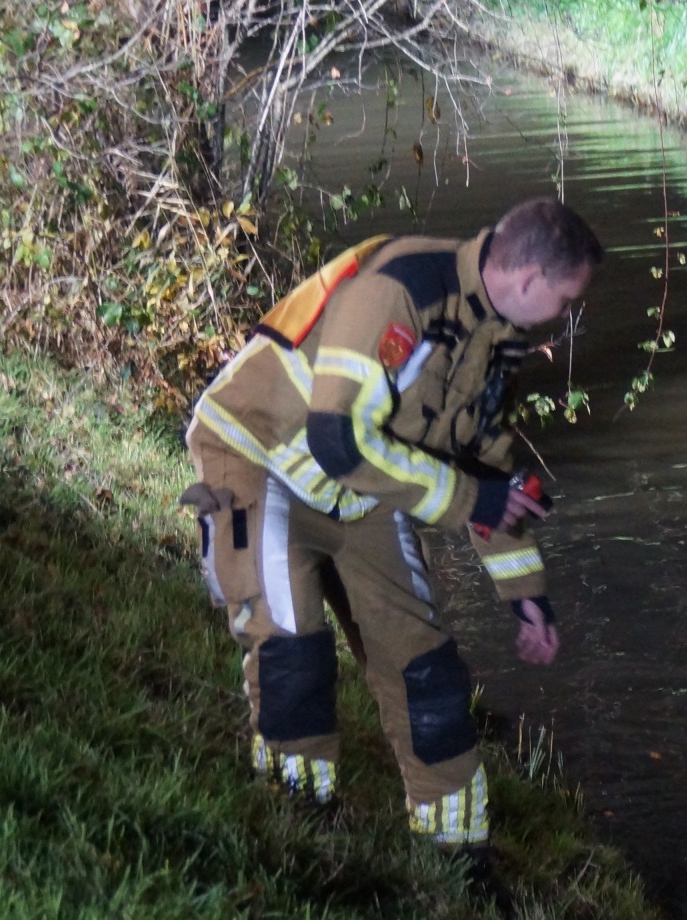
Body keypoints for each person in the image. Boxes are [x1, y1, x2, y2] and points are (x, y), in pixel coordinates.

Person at [178, 196, 603, 869]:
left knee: (426, 669)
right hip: (262, 458)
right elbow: (339, 440)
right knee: (293, 649)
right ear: (528, 282)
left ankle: (457, 854)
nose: (564, 318)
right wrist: (471, 499)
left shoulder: (498, 340)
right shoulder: (401, 287)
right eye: (565, 300)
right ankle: (299, 831)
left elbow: (485, 470)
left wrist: (527, 594)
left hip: (358, 486)